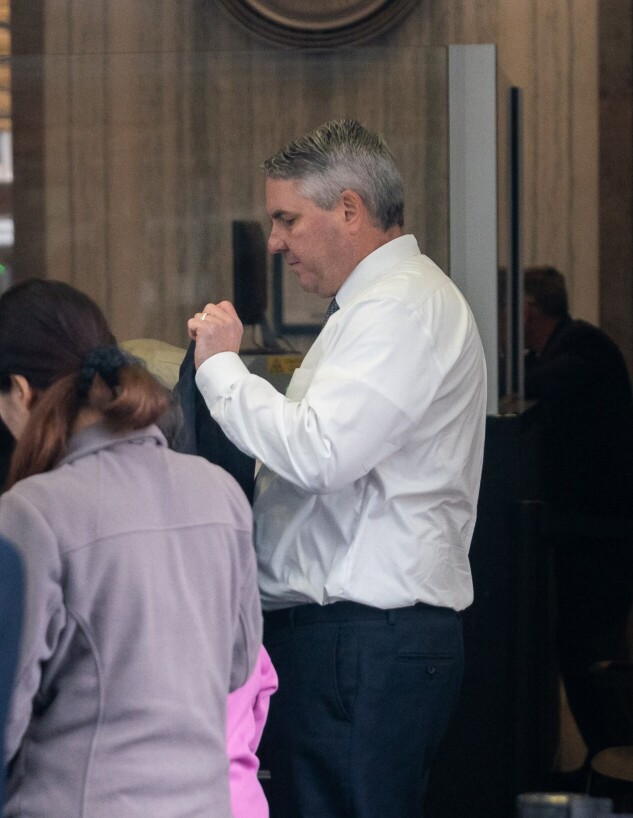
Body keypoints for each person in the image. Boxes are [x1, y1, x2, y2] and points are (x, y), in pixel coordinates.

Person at [186, 118, 487, 817]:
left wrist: (221, 369)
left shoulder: (400, 306)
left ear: (348, 209)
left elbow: (320, 453)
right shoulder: (374, 306)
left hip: (362, 645)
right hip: (353, 644)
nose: (274, 242)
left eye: (287, 218)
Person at [0, 278, 263, 818]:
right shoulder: (221, 495)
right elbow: (238, 666)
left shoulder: (33, 512)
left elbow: (7, 712)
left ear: (21, 393)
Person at [523, 266, 633, 773]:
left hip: (601, 541)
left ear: (530, 308)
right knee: (576, 654)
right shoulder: (571, 347)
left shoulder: (584, 349)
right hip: (584, 536)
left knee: (589, 657)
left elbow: (538, 383)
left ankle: (609, 769)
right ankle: (601, 765)